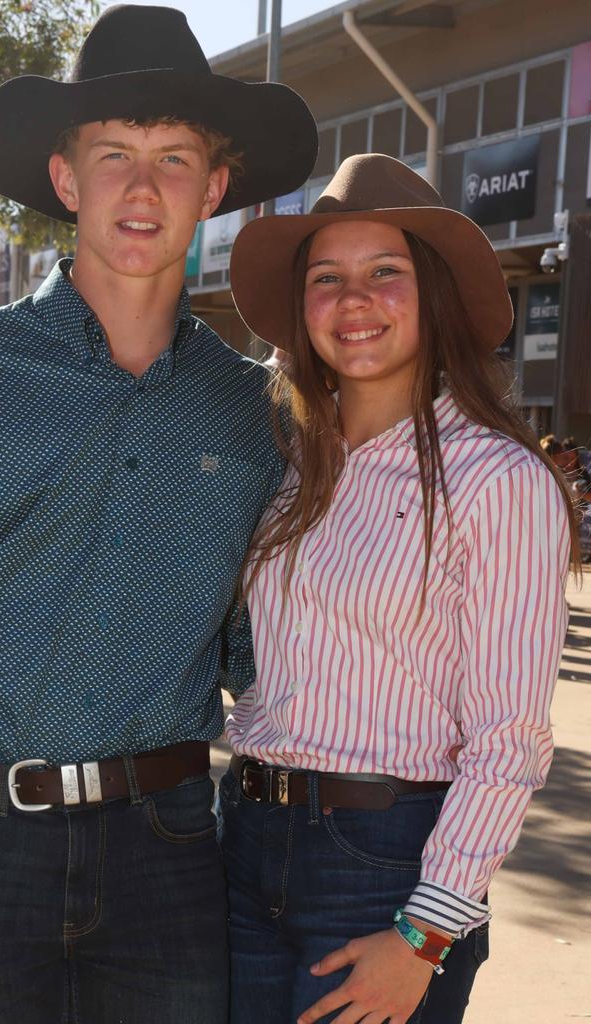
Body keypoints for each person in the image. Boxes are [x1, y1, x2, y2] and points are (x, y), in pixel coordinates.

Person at [0, 7, 317, 1024]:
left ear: (215, 188)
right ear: (65, 179)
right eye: (114, 156)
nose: (143, 188)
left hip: (173, 854)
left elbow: (268, 653)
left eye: (175, 158)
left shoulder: (253, 410)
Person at [220, 153, 577, 1024]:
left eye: (387, 273)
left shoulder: (497, 481)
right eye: (328, 278)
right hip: (247, 840)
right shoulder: (293, 467)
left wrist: (427, 932)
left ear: (435, 297)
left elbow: (510, 738)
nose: (353, 301)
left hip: (384, 862)